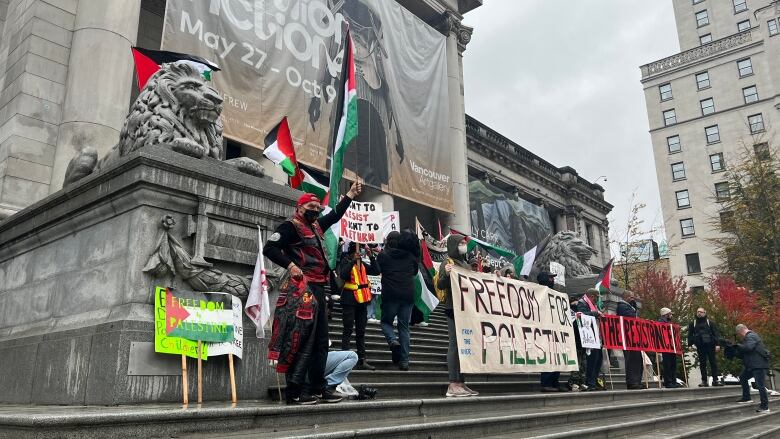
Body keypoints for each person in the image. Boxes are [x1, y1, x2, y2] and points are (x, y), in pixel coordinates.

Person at [263, 181, 363, 404]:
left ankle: (317, 388)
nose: (315, 213)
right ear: (299, 208)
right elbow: (269, 248)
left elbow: (334, 216)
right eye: (311, 209)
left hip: (318, 288)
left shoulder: (317, 226)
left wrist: (349, 195)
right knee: (302, 339)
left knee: (320, 341)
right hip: (302, 290)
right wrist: (291, 266)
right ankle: (296, 391)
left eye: (318, 210)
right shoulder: (290, 226)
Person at [437, 233, 479, 397]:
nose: (464, 245)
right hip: (453, 308)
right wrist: (446, 275)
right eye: (461, 243)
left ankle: (461, 382)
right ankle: (453, 383)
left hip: (466, 309)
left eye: (464, 243)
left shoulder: (466, 265)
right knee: (454, 344)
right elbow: (441, 284)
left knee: (464, 346)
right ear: (454, 245)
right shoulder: (447, 263)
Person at [376, 231, 418, 371]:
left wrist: (373, 255)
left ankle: (393, 341)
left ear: (387, 240)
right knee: (404, 327)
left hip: (391, 295)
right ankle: (405, 361)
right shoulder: (410, 256)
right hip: (407, 295)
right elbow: (415, 272)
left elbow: (376, 270)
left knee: (386, 322)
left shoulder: (383, 255)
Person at [338, 242, 380, 371]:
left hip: (362, 301)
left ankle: (362, 360)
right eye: (359, 250)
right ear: (352, 251)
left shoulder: (362, 264)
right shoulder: (345, 261)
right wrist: (352, 261)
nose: (361, 252)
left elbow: (376, 271)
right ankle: (344, 359)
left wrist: (371, 256)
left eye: (362, 250)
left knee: (361, 331)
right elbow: (343, 275)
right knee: (348, 329)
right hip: (349, 301)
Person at [538, 271, 567, 392]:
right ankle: (546, 383)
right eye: (550, 278)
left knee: (557, 356)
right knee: (549, 356)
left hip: (556, 329)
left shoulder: (555, 293)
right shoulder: (538, 291)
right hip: (545, 329)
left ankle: (555, 382)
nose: (553, 280)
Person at [732, 324, 770, 412]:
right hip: (752, 365)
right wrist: (734, 351)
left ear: (740, 331)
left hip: (758, 365)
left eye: (739, 334)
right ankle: (746, 397)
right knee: (742, 377)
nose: (740, 336)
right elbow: (746, 353)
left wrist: (738, 345)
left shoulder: (751, 336)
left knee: (760, 385)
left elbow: (748, 348)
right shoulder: (748, 338)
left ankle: (765, 406)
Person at [575, 288, 605, 391]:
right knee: (591, 361)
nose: (597, 299)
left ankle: (594, 381)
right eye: (597, 297)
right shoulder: (582, 303)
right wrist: (596, 313)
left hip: (596, 337)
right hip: (588, 338)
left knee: (598, 360)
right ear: (592, 296)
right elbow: (582, 315)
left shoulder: (594, 305)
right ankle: (590, 382)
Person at [687, 308, 723, 387]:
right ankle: (704, 381)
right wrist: (689, 344)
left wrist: (717, 344)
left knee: (713, 362)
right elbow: (690, 335)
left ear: (704, 313)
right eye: (698, 312)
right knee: (702, 364)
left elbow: (715, 334)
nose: (699, 313)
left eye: (701, 312)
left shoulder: (710, 322)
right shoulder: (693, 323)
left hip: (710, 345)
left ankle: (715, 380)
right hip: (700, 346)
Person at [616, 293, 644, 390]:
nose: (633, 299)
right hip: (628, 337)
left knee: (637, 360)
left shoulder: (630, 307)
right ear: (626, 297)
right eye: (631, 297)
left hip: (634, 337)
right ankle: (632, 382)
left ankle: (637, 381)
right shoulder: (622, 307)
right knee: (631, 360)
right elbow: (631, 318)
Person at [658, 307, 678, 388]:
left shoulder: (669, 322)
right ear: (666, 314)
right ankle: (668, 382)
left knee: (673, 364)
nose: (671, 315)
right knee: (667, 364)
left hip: (671, 345)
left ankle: (673, 381)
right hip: (665, 346)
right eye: (670, 314)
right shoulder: (661, 322)